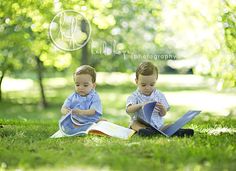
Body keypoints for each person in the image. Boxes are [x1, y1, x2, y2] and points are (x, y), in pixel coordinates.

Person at [126, 61, 193, 137]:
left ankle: (179, 131)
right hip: (142, 124)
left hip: (157, 126)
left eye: (152, 84)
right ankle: (144, 131)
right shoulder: (135, 96)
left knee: (168, 126)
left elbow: (163, 114)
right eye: (143, 85)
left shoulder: (159, 95)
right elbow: (128, 109)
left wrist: (162, 108)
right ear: (136, 81)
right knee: (133, 124)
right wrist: (141, 105)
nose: (147, 88)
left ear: (156, 80)